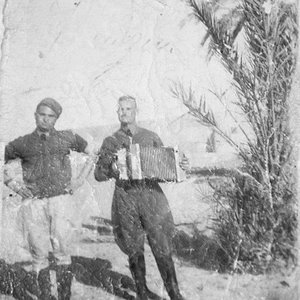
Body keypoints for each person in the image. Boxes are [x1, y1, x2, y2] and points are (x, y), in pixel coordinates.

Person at [94, 95, 188, 300]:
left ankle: (174, 293)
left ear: (136, 112)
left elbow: (165, 168)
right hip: (125, 197)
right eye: (121, 109)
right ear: (117, 112)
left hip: (151, 196)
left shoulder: (150, 137)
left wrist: (180, 165)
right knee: (133, 246)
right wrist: (111, 168)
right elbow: (98, 174)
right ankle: (142, 292)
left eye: (128, 109)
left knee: (161, 244)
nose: (124, 112)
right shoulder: (110, 141)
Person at [4, 98, 94, 300]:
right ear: (35, 115)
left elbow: (92, 153)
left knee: (62, 252)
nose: (45, 119)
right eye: (41, 114)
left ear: (56, 118)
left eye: (50, 116)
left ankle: (64, 297)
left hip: (61, 201)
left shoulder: (67, 137)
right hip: (34, 204)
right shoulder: (21, 143)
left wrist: (79, 180)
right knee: (38, 255)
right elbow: (5, 170)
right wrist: (17, 187)